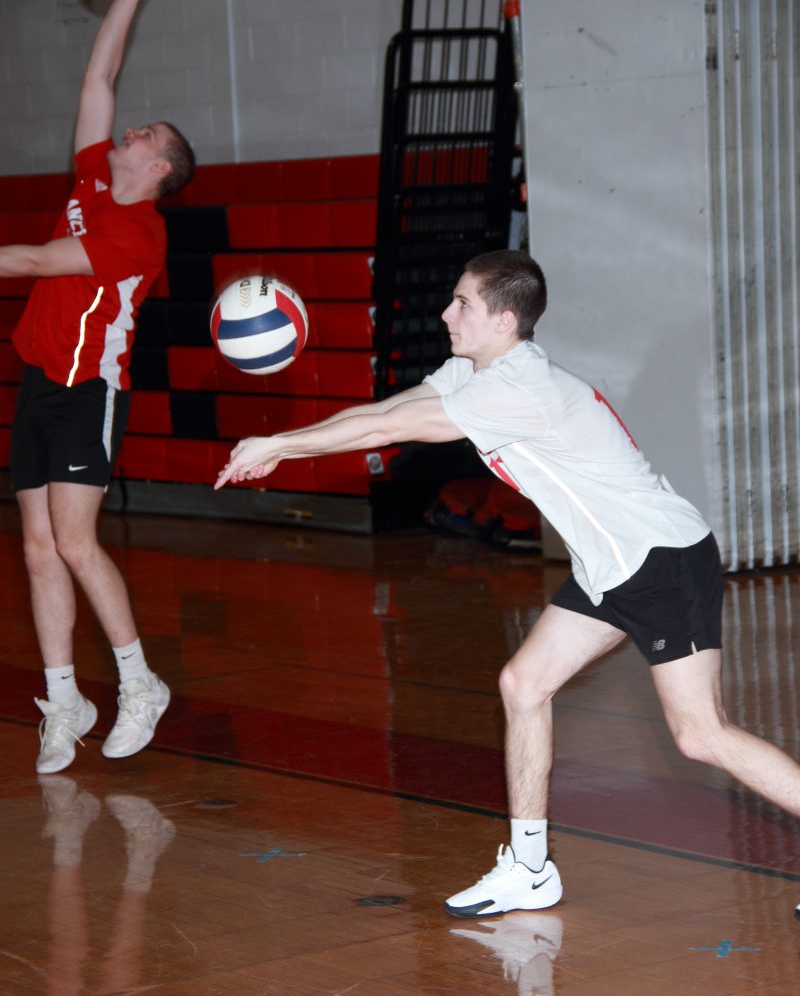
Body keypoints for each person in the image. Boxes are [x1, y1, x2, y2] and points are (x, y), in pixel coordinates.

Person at [215, 248, 800, 918]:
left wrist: (276, 445)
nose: (445, 312)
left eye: (462, 303)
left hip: (660, 561)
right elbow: (392, 407)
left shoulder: (515, 391)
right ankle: (528, 867)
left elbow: (383, 430)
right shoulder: (474, 368)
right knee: (523, 684)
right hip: (609, 565)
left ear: (504, 319)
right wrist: (283, 440)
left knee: (702, 736)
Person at [5, 0, 195, 775]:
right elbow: (99, 77)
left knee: (77, 544)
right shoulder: (90, 184)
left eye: (145, 135)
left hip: (92, 391)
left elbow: (36, 263)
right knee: (39, 549)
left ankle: (139, 681)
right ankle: (65, 699)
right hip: (40, 382)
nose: (128, 128)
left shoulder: (134, 233)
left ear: (157, 170)